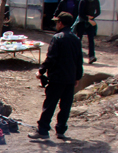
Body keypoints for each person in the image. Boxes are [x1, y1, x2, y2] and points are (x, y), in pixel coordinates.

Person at [28, 12, 83, 140]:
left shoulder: (57, 38)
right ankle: (61, 130)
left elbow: (51, 58)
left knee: (50, 105)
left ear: (61, 23)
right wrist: (77, 77)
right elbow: (79, 60)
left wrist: (41, 71)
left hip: (57, 78)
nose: (56, 25)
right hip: (70, 78)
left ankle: (42, 130)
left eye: (57, 22)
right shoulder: (76, 39)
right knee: (65, 106)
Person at [74, 0, 100, 64]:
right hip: (82, 21)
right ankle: (76, 56)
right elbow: (80, 13)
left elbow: (98, 12)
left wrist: (93, 17)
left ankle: (91, 56)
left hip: (90, 22)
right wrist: (87, 19)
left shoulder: (96, 1)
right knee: (79, 39)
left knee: (91, 39)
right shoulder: (83, 1)